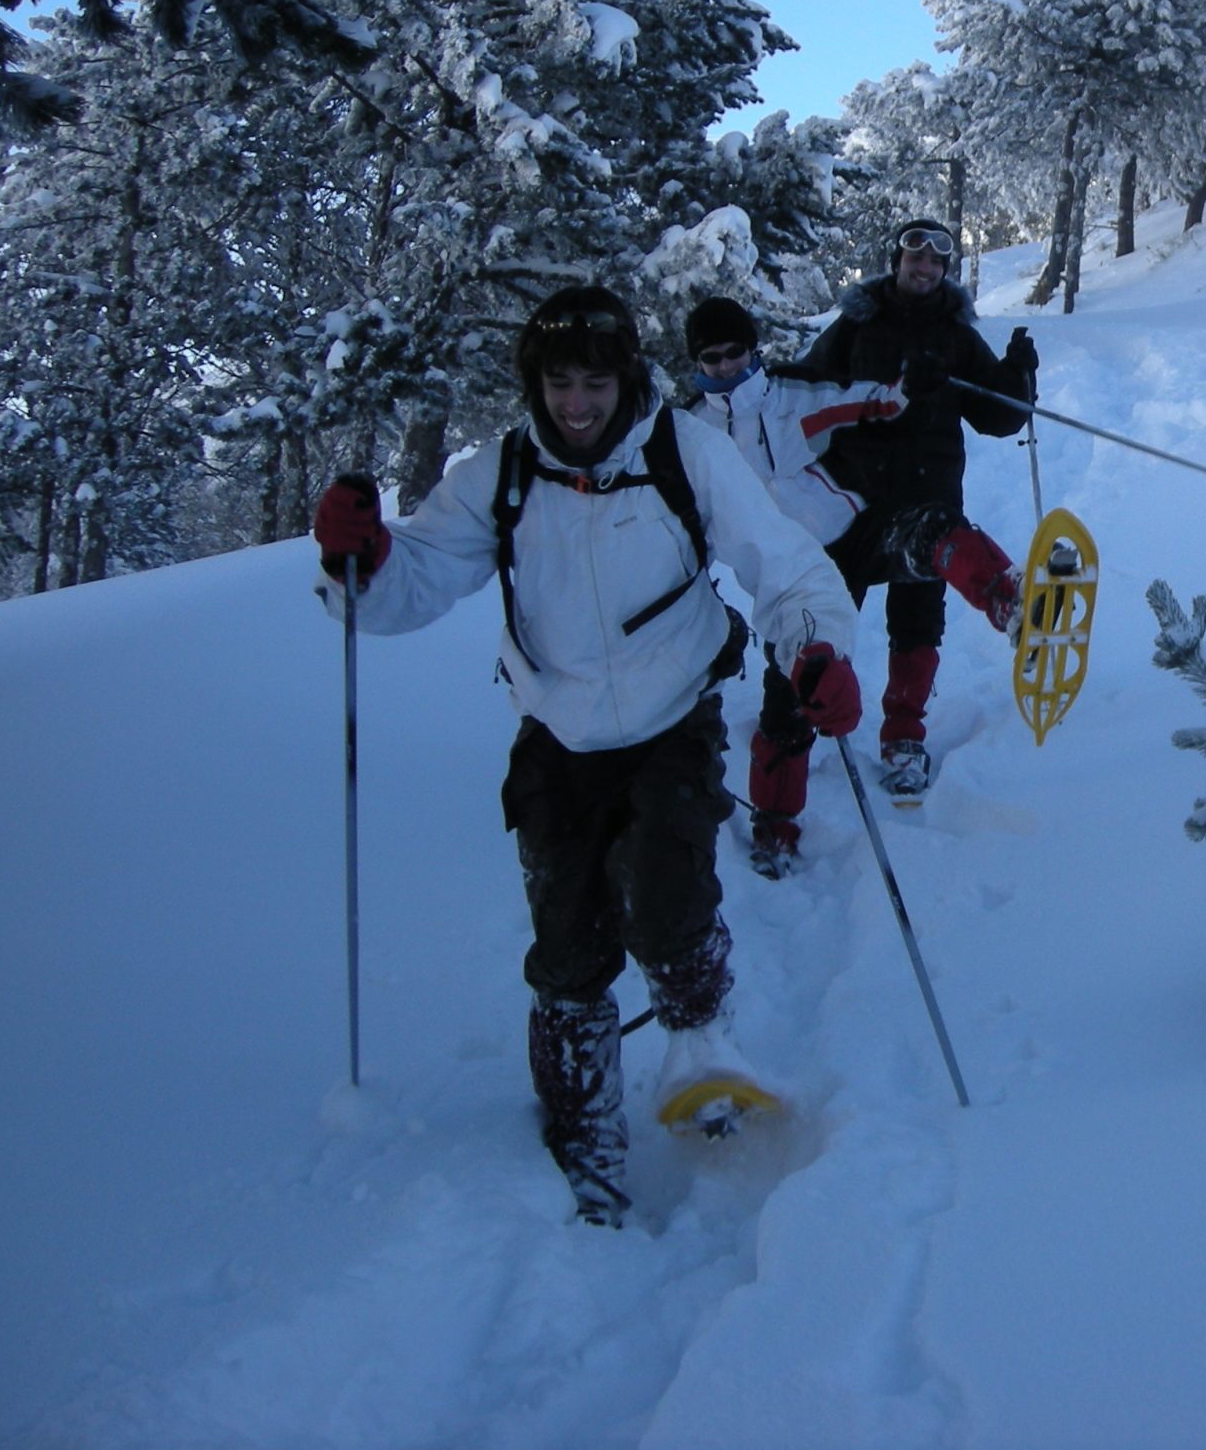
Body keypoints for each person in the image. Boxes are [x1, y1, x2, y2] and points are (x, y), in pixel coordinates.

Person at [310, 284, 863, 1226]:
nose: (577, 404)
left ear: (626, 378)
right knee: (567, 948)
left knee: (671, 896)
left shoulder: (686, 453)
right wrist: (360, 563)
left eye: (595, 382)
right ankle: (582, 1122)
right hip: (556, 736)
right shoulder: (502, 473)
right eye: (560, 383)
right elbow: (419, 580)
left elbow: (780, 557)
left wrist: (815, 644)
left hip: (673, 716)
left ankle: (703, 1049)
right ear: (535, 384)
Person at [799, 217, 1039, 800]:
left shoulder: (955, 334)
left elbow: (1000, 418)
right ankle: (798, 730)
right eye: (915, 255)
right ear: (897, 259)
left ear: (945, 270)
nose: (925, 267)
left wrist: (1018, 378)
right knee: (824, 618)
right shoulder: (856, 325)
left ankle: (904, 739)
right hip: (851, 500)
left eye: (936, 260)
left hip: (928, 498)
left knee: (916, 625)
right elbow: (805, 394)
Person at [676, 294, 906, 875]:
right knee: (790, 688)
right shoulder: (690, 434)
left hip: (838, 544)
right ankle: (775, 823)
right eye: (711, 358)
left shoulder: (791, 397)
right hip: (773, 577)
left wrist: (911, 381)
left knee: (838, 660)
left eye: (735, 353)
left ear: (753, 349)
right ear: (696, 362)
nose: (725, 367)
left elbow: (868, 402)